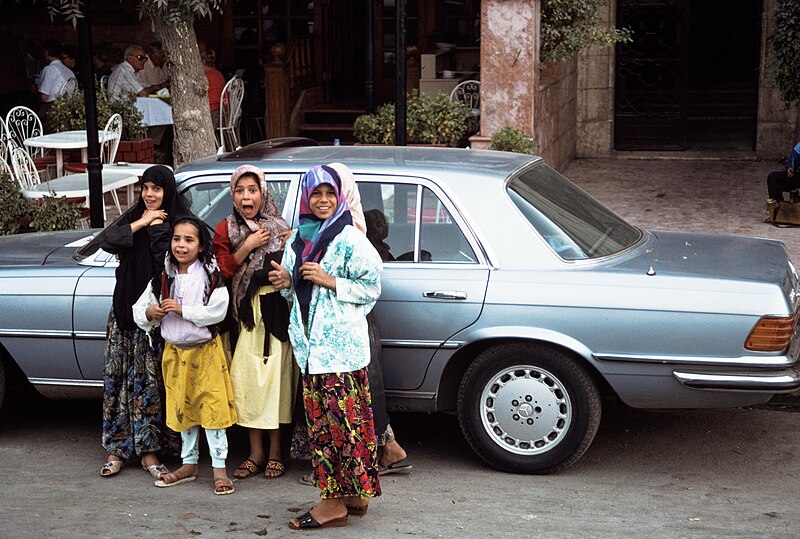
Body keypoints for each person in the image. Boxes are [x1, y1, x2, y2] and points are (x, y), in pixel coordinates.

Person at [269, 164, 382, 530]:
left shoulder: (348, 237)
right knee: (340, 427)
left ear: (339, 196)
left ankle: (332, 504)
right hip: (312, 351)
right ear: (305, 197)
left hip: (339, 353)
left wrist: (331, 280)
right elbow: (294, 290)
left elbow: (372, 286)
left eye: (329, 194)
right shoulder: (298, 239)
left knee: (337, 428)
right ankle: (353, 496)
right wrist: (286, 280)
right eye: (315, 194)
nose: (322, 200)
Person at [133, 216, 237, 495]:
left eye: (189, 240)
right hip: (175, 356)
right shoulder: (162, 278)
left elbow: (218, 311)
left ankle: (219, 469)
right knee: (184, 411)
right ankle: (188, 463)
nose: (181, 245)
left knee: (213, 410)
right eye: (177, 239)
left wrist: (182, 311)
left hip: (205, 355)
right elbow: (140, 308)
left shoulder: (210, 277)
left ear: (201, 246)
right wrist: (150, 313)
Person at [98, 165, 188, 480]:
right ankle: (116, 449)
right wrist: (142, 222)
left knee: (149, 387)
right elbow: (107, 240)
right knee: (118, 384)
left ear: (168, 192)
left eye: (156, 189)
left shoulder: (177, 223)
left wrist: (157, 229)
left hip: (155, 319)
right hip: (124, 316)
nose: (149, 195)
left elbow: (175, 259)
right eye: (145, 188)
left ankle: (150, 453)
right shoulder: (136, 216)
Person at [211, 165, 296, 481]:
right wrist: (247, 246)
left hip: (276, 314)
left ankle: (276, 453)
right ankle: (255, 452)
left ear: (263, 193)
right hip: (246, 315)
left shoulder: (280, 226)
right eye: (239, 190)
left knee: (276, 382)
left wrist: (285, 266)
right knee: (247, 382)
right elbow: (222, 271)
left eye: (252, 189)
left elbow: (294, 267)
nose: (246, 196)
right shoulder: (226, 229)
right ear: (232, 194)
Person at [37, 39, 74, 124]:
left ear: (46, 53)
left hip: (52, 111)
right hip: (68, 110)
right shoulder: (69, 71)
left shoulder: (49, 69)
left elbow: (44, 97)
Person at [201, 48, 225, 134]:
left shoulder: (205, 76)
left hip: (213, 114)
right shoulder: (218, 74)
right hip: (224, 113)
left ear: (203, 61)